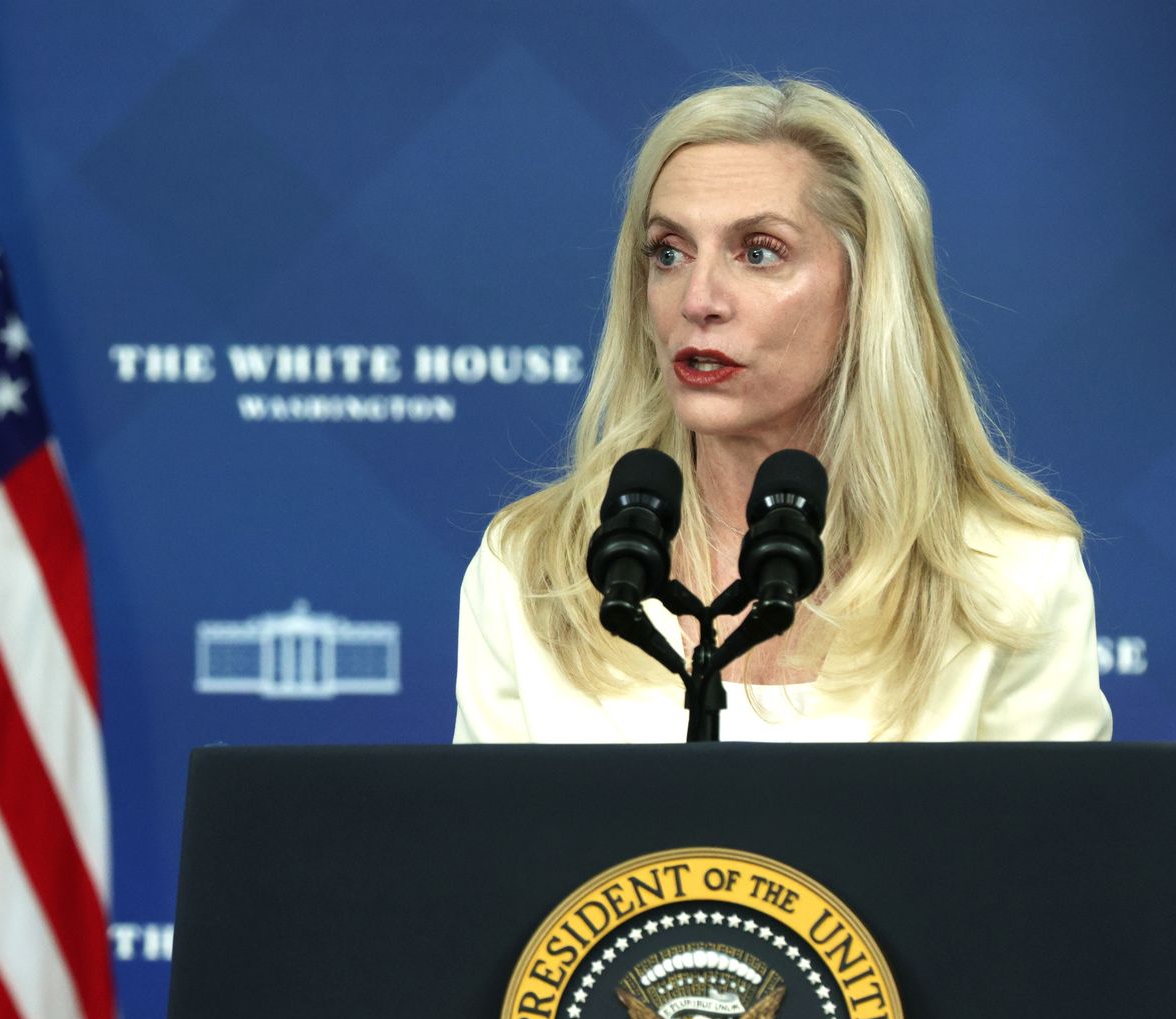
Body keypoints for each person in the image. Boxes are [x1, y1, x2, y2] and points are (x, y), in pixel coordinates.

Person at [455, 77, 1112, 744]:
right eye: (669, 253)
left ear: (865, 290)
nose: (698, 298)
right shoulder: (531, 570)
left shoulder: (1008, 577)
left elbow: (1053, 849)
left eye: (759, 253)